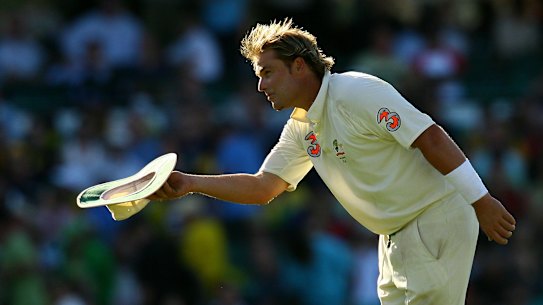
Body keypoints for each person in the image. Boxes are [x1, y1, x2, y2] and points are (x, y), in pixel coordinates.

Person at [150, 18, 516, 304]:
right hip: (393, 236)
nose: (261, 86)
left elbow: (430, 137)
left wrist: (480, 199)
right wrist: (191, 183)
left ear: (298, 67)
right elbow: (264, 187)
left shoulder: (356, 91)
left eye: (267, 72)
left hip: (434, 216)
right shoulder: (300, 127)